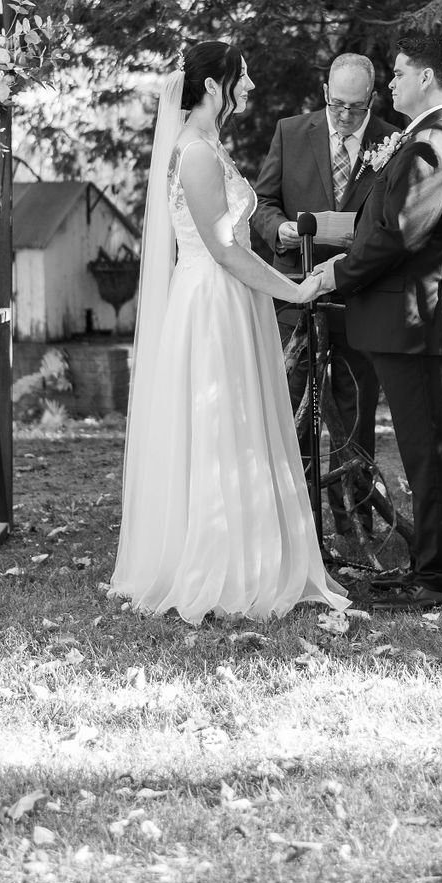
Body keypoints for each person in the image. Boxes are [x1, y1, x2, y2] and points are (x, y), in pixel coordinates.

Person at [109, 41, 349, 623]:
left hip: (231, 299)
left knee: (242, 425)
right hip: (213, 304)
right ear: (213, 85)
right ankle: (218, 567)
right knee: (219, 428)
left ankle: (256, 554)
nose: (249, 87)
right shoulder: (195, 154)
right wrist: (293, 289)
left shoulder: (208, 146)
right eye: (242, 76)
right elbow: (222, 249)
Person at [313, 30, 442, 610]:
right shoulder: (426, 137)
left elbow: (395, 234)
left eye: (401, 72)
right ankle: (429, 568)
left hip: (419, 326)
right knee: (421, 451)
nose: (394, 81)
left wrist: (335, 274)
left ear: (426, 78)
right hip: (410, 324)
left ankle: (439, 581)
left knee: (427, 454)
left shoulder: (436, 145)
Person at [253, 55, 396, 534]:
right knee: (293, 408)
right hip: (295, 291)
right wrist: (281, 230)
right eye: (337, 105)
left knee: (354, 408)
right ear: (324, 91)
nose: (346, 116)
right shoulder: (292, 132)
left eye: (357, 108)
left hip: (361, 294)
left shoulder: (394, 139)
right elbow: (262, 203)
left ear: (372, 100)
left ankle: (354, 521)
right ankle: (295, 524)